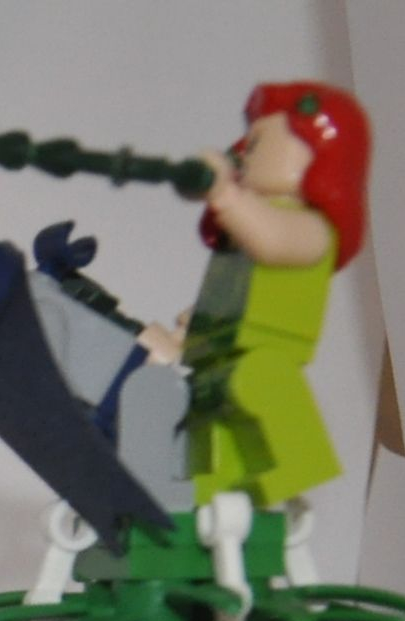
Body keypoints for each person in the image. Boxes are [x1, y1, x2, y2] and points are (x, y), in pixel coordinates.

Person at [138, 82, 372, 508]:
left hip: (266, 349)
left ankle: (297, 465)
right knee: (202, 416)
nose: (246, 153)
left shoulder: (311, 229)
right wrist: (186, 333)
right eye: (249, 142)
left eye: (259, 142)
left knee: (256, 381)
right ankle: (204, 492)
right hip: (220, 349)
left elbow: (273, 240)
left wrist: (226, 195)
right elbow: (231, 288)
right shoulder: (241, 233)